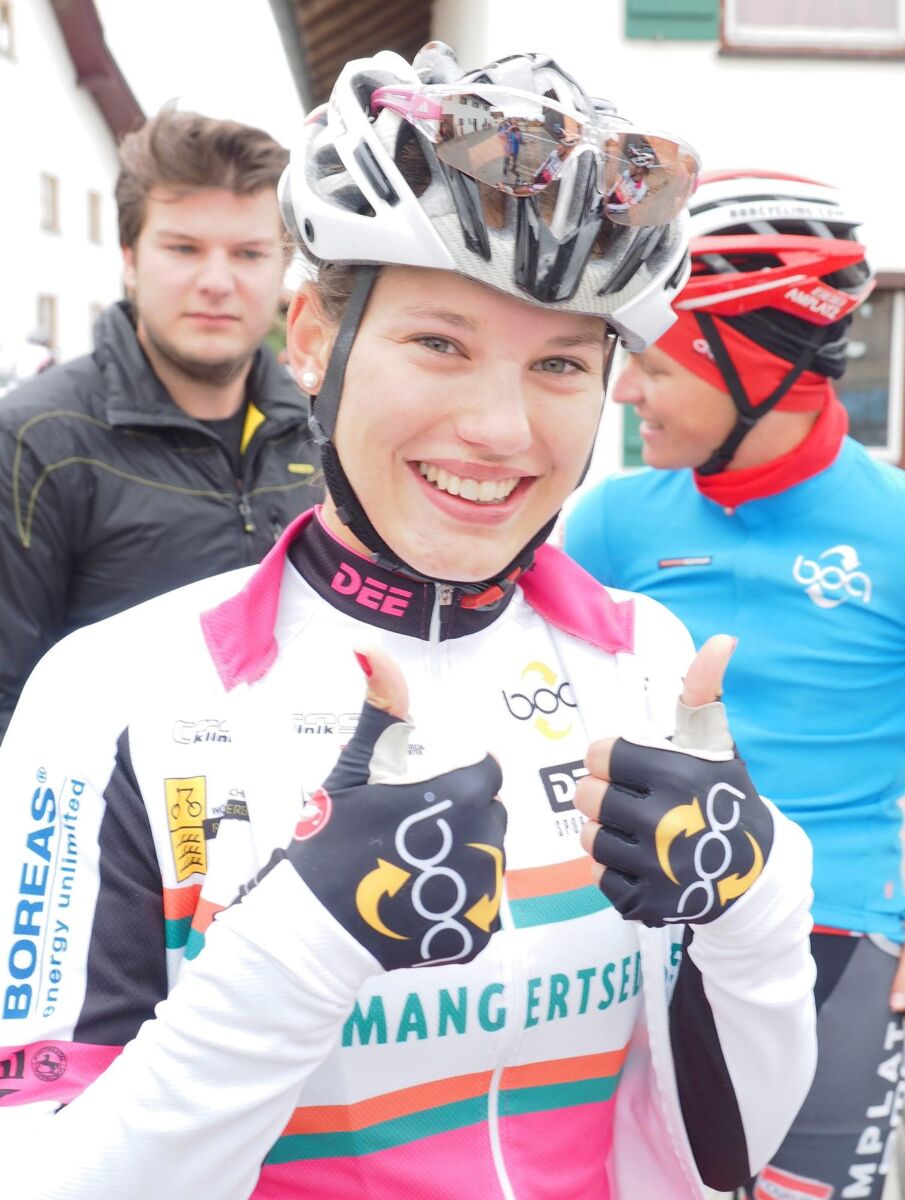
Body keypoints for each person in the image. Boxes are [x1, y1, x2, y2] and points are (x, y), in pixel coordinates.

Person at [0, 51, 816, 1200]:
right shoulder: (116, 693)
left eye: (559, 363)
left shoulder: (645, 660)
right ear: (310, 341)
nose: (501, 428)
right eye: (440, 344)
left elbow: (722, 1151)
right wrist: (298, 947)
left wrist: (758, 908)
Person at [566, 169, 904, 1200]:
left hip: (837, 934)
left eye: (652, 366)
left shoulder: (892, 529)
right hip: (638, 926)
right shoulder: (609, 520)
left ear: (754, 369)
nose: (624, 394)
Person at [0, 106, 323, 741]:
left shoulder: (325, 429)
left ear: (281, 267)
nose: (217, 281)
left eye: (249, 253)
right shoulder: (33, 442)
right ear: (129, 258)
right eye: (183, 248)